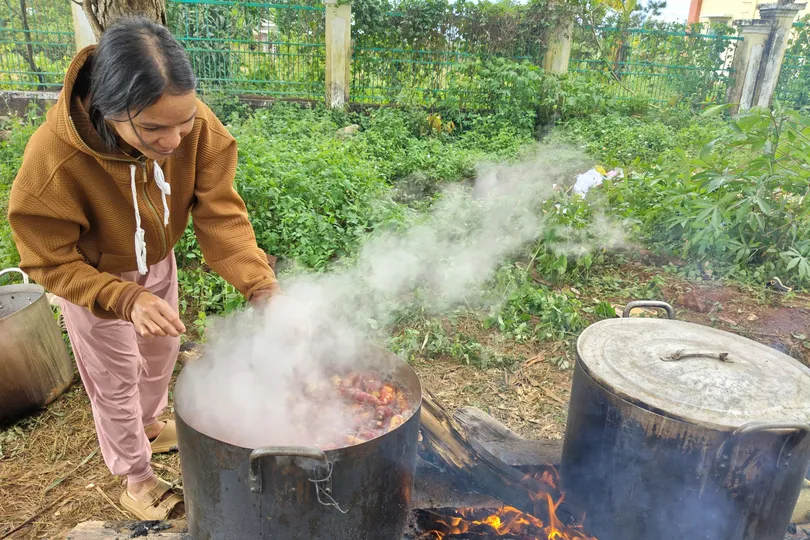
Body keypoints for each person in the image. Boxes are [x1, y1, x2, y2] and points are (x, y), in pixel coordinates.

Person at [7, 17, 280, 520]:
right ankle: (136, 479)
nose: (174, 140)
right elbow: (47, 258)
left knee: (160, 353)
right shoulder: (54, 161)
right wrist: (126, 299)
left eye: (184, 121)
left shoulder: (196, 127)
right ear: (107, 109)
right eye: (153, 128)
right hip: (95, 280)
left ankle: (151, 425)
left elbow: (220, 212)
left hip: (157, 262)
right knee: (116, 377)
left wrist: (260, 286)